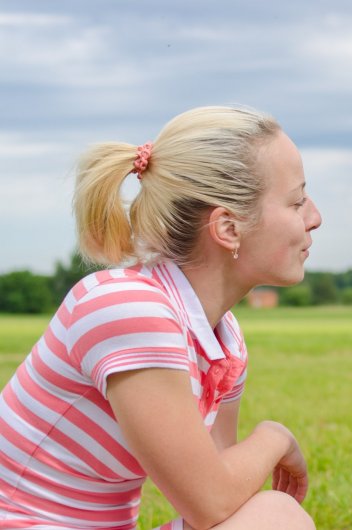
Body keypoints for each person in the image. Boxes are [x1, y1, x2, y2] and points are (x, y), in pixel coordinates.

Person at [0, 106, 321, 529]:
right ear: (228, 228)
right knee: (275, 517)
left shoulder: (223, 338)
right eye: (296, 201)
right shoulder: (127, 307)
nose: (314, 218)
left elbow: (220, 498)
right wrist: (274, 437)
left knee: (269, 518)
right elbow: (211, 502)